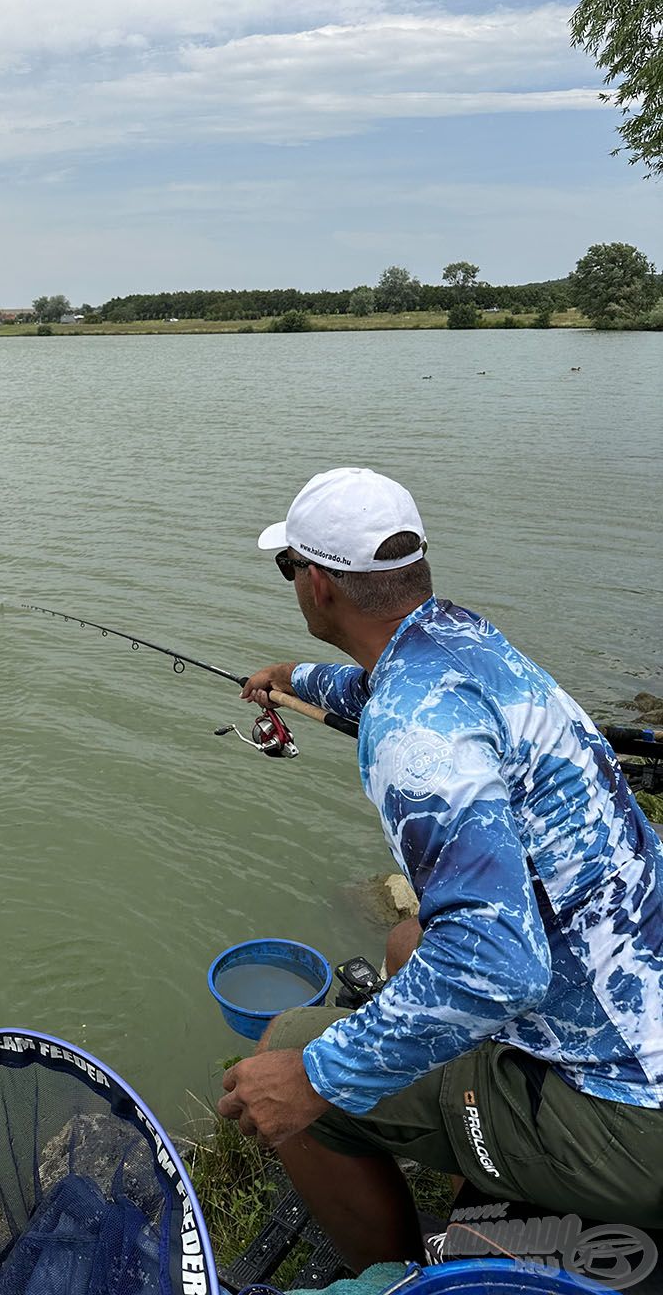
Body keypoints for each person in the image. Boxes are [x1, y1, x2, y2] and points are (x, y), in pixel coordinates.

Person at [216, 466, 663, 1271]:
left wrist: (318, 1076)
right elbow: (382, 684)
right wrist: (289, 680)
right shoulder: (462, 640)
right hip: (637, 1003)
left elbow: (499, 963)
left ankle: (399, 1282)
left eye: (290, 570)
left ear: (316, 585)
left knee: (284, 1053)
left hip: (634, 1122)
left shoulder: (413, 737)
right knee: (407, 944)